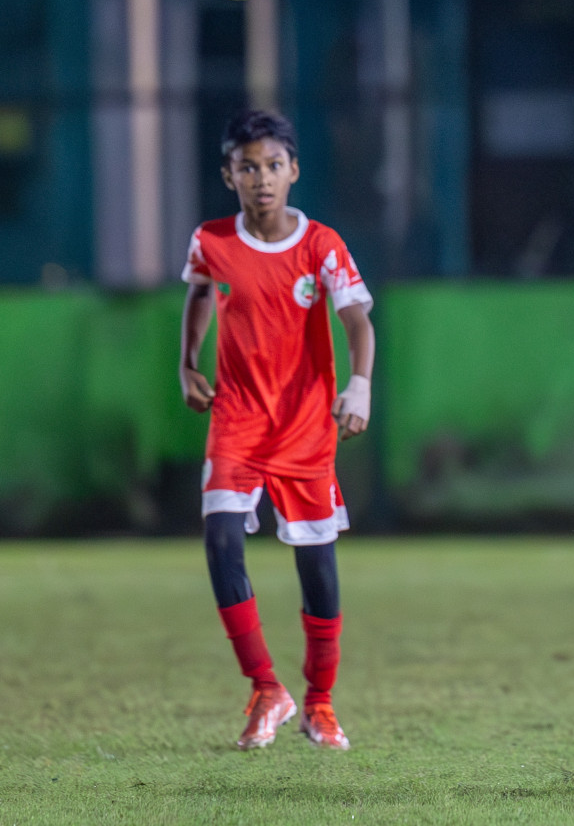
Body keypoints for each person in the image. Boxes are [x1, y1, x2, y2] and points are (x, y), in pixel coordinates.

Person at [179, 109, 375, 751]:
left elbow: (357, 322)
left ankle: (319, 702)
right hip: (236, 419)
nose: (261, 178)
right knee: (221, 542)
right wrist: (187, 363)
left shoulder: (321, 243)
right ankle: (266, 687)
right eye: (247, 168)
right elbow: (202, 293)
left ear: (293, 170)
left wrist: (359, 385)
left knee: (316, 566)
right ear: (228, 176)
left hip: (303, 427)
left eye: (272, 166)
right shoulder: (211, 239)